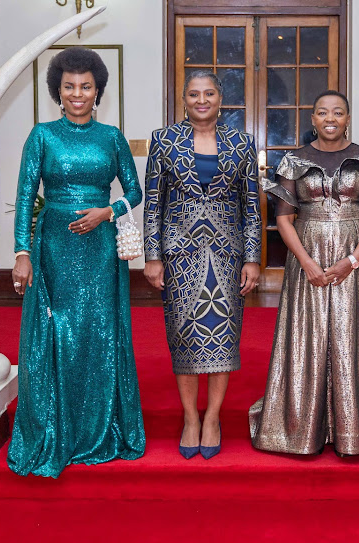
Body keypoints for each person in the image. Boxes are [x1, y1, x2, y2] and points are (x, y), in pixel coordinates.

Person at [8, 47, 146, 478]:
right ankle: (56, 429)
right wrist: (22, 253)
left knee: (100, 333)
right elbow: (28, 196)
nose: (78, 93)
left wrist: (109, 211)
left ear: (98, 89)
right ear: (58, 90)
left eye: (86, 86)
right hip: (54, 248)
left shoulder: (112, 137)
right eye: (69, 86)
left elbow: (135, 191)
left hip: (101, 250)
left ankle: (101, 428)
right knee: (58, 332)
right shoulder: (42, 136)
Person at [249, 90, 359, 456]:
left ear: (347, 118)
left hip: (356, 257)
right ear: (312, 119)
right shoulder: (294, 161)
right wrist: (307, 262)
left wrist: (353, 259)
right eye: (322, 112)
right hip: (305, 255)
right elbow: (282, 218)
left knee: (353, 337)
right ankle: (300, 430)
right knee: (306, 336)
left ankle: (354, 433)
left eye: (338, 112)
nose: (330, 118)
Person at [143, 70, 261, 460]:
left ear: (220, 99)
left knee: (223, 335)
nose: (201, 100)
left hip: (227, 254)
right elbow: (153, 202)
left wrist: (253, 258)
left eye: (208, 93)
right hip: (180, 253)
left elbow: (250, 207)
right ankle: (190, 418)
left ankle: (212, 418)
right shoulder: (164, 141)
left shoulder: (242, 143)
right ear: (184, 99)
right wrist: (153, 256)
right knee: (184, 334)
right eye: (193, 94)